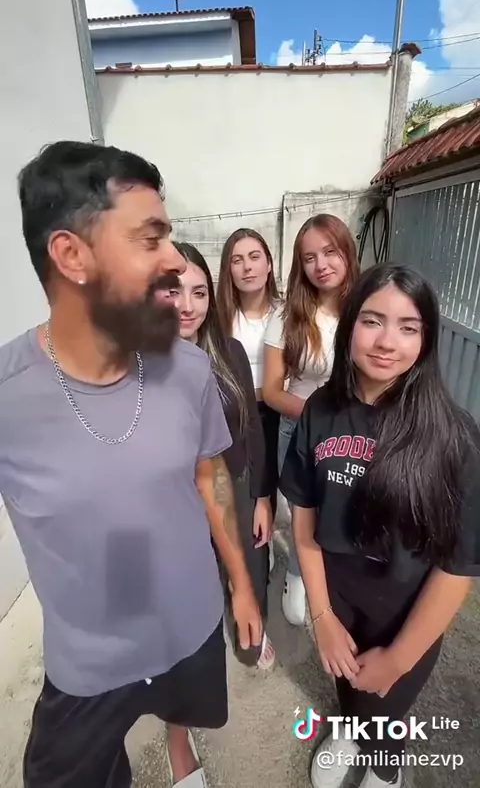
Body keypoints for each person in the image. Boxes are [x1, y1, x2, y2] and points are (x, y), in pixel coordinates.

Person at [0, 141, 262, 788]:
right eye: (150, 239)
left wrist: (241, 582)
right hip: (87, 665)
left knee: (186, 710)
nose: (174, 261)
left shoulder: (190, 369)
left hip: (190, 628)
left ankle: (181, 751)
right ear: (71, 255)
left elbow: (210, 477)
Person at [280, 263, 480, 788]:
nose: (387, 342)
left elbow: (457, 566)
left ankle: (386, 769)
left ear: (426, 339)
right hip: (338, 599)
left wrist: (398, 658)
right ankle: (350, 732)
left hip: (404, 612)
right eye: (372, 321)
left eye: (408, 327)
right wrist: (322, 615)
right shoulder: (321, 410)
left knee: (387, 708)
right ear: (349, 326)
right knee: (347, 687)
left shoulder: (454, 436)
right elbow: (304, 518)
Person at [172, 241, 275, 670]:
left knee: (250, 573)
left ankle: (251, 632)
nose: (187, 306)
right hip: (179, 501)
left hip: (235, 483)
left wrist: (262, 497)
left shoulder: (229, 351)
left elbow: (251, 428)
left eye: (199, 293)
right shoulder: (142, 367)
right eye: (173, 291)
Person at [263, 213, 359, 626]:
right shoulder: (288, 315)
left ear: (347, 252)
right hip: (300, 429)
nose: (321, 264)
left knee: (343, 512)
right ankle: (298, 575)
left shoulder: (367, 308)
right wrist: (322, 415)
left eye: (330, 252)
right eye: (309, 257)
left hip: (357, 432)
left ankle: (330, 577)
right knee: (303, 513)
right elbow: (272, 391)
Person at [216, 228, 281, 571]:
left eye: (255, 257)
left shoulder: (287, 314)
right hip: (238, 421)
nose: (247, 267)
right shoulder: (219, 320)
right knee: (245, 506)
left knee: (283, 508)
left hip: (281, 417)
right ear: (228, 270)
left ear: (269, 263)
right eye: (237, 260)